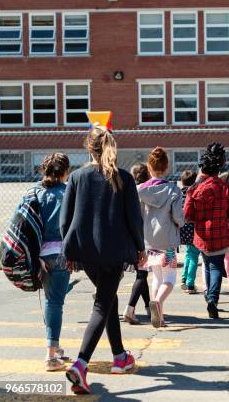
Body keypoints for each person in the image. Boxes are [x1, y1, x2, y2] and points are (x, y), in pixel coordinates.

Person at [61, 125, 145, 394]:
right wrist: (140, 248)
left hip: (85, 252)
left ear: (89, 147)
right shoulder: (123, 178)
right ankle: (81, 363)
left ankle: (119, 356)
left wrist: (69, 251)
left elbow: (66, 219)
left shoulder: (76, 177)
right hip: (113, 251)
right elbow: (134, 218)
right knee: (101, 304)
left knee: (108, 298)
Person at [184, 151, 229, 318]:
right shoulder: (225, 188)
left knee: (207, 264)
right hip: (220, 233)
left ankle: (209, 295)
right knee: (215, 266)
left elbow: (187, 214)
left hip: (201, 235)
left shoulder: (195, 188)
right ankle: (213, 300)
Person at [138, 147, 185, 328]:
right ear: (166, 168)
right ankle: (157, 303)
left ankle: (159, 316)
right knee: (170, 279)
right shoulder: (173, 190)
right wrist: (181, 223)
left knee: (156, 277)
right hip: (168, 241)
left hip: (149, 241)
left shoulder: (140, 190)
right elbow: (178, 218)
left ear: (149, 167)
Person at [35, 153, 71, 371]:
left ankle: (54, 346)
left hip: (41, 254)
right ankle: (50, 355)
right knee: (55, 302)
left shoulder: (36, 192)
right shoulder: (68, 193)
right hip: (61, 253)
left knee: (52, 300)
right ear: (65, 172)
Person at [123, 163, 152, 324]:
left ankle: (148, 307)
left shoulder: (129, 190)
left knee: (142, 274)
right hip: (143, 237)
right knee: (142, 274)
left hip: (129, 237)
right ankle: (130, 308)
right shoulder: (145, 191)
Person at [179, 170, 201, 295]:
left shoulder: (179, 193)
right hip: (193, 228)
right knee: (193, 255)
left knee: (188, 252)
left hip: (182, 229)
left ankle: (184, 277)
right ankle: (190, 284)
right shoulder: (195, 193)